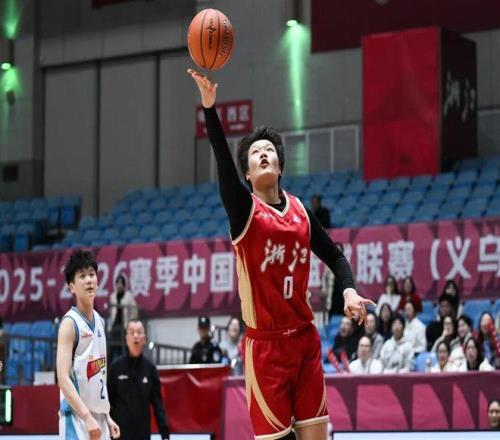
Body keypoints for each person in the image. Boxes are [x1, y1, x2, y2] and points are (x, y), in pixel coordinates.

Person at [188, 68, 374, 440]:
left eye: (269, 150)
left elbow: (336, 256)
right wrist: (210, 109)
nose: (263, 154)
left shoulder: (301, 211)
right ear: (246, 173)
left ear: (281, 166)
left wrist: (350, 290)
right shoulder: (244, 211)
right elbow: (223, 164)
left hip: (305, 341)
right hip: (266, 347)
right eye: (255, 152)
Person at [56, 250, 120, 440]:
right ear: (72, 287)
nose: (89, 280)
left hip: (98, 420)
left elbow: (99, 375)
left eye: (92, 274)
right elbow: (62, 378)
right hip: (77, 419)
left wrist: (106, 416)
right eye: (82, 276)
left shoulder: (100, 321)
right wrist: (86, 416)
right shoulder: (69, 323)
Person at [108, 320, 170, 440]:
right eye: (131, 332)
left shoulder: (150, 369)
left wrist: (165, 434)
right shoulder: (116, 367)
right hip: (119, 436)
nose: (135, 336)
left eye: (139, 332)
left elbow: (158, 405)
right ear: (126, 338)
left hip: (143, 436)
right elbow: (108, 404)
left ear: (144, 338)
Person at [107, 274, 138, 362]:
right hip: (114, 325)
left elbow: (134, 310)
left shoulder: (128, 296)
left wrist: (131, 322)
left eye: (121, 283)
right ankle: (109, 368)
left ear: (124, 285)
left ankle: (126, 366)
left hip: (124, 326)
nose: (119, 285)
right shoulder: (113, 296)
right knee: (111, 349)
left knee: (124, 348)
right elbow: (111, 311)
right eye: (118, 283)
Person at [321, 242, 347, 319]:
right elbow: (324, 280)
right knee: (331, 320)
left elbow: (353, 284)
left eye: (339, 250)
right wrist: (324, 290)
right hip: (332, 300)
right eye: (336, 250)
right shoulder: (328, 267)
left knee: (345, 321)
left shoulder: (347, 266)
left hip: (344, 300)